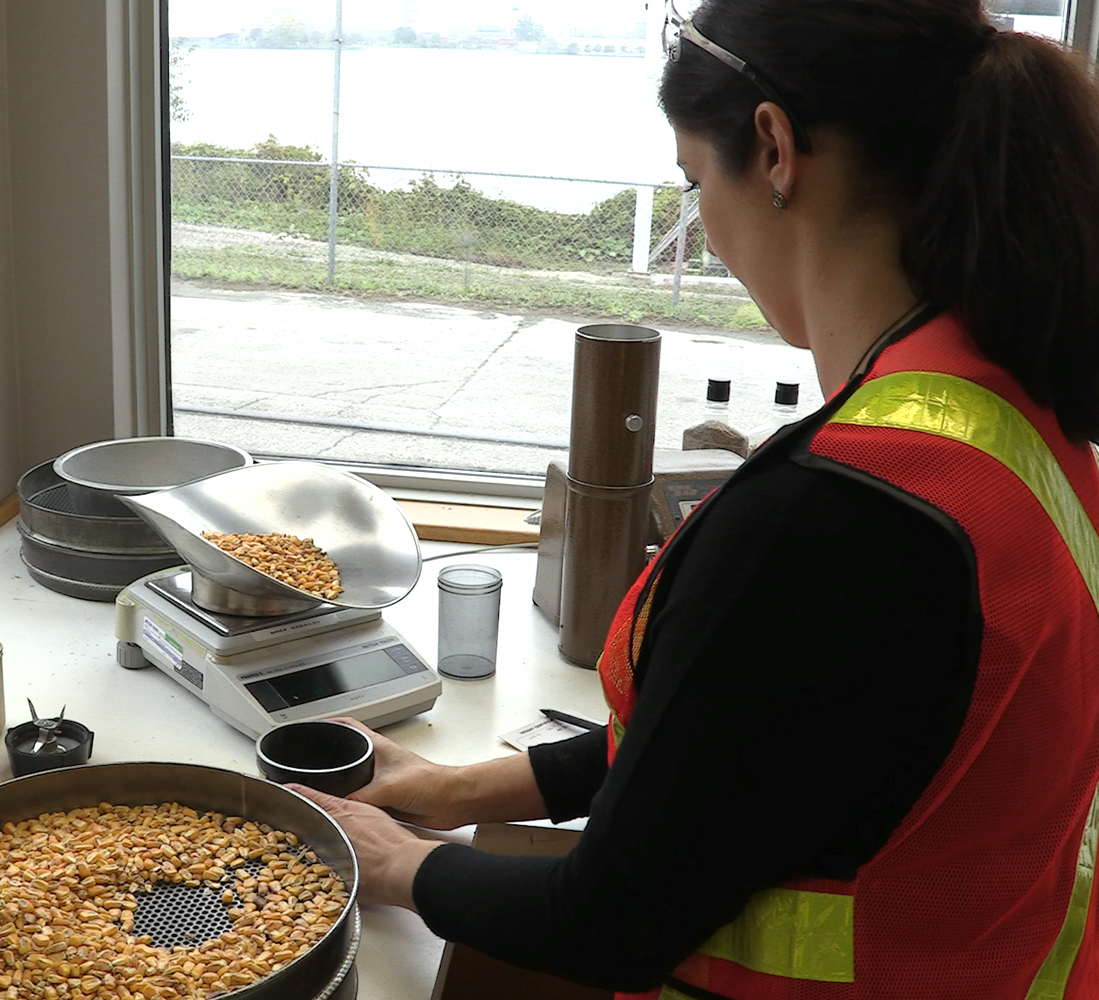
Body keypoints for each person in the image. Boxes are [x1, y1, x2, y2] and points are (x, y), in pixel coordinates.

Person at [289, 1, 1099, 997]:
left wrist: (396, 861)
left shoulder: (834, 516)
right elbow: (748, 741)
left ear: (772, 148)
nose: (703, 233)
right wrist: (459, 787)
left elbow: (607, 919)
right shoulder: (1011, 420)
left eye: (692, 180)